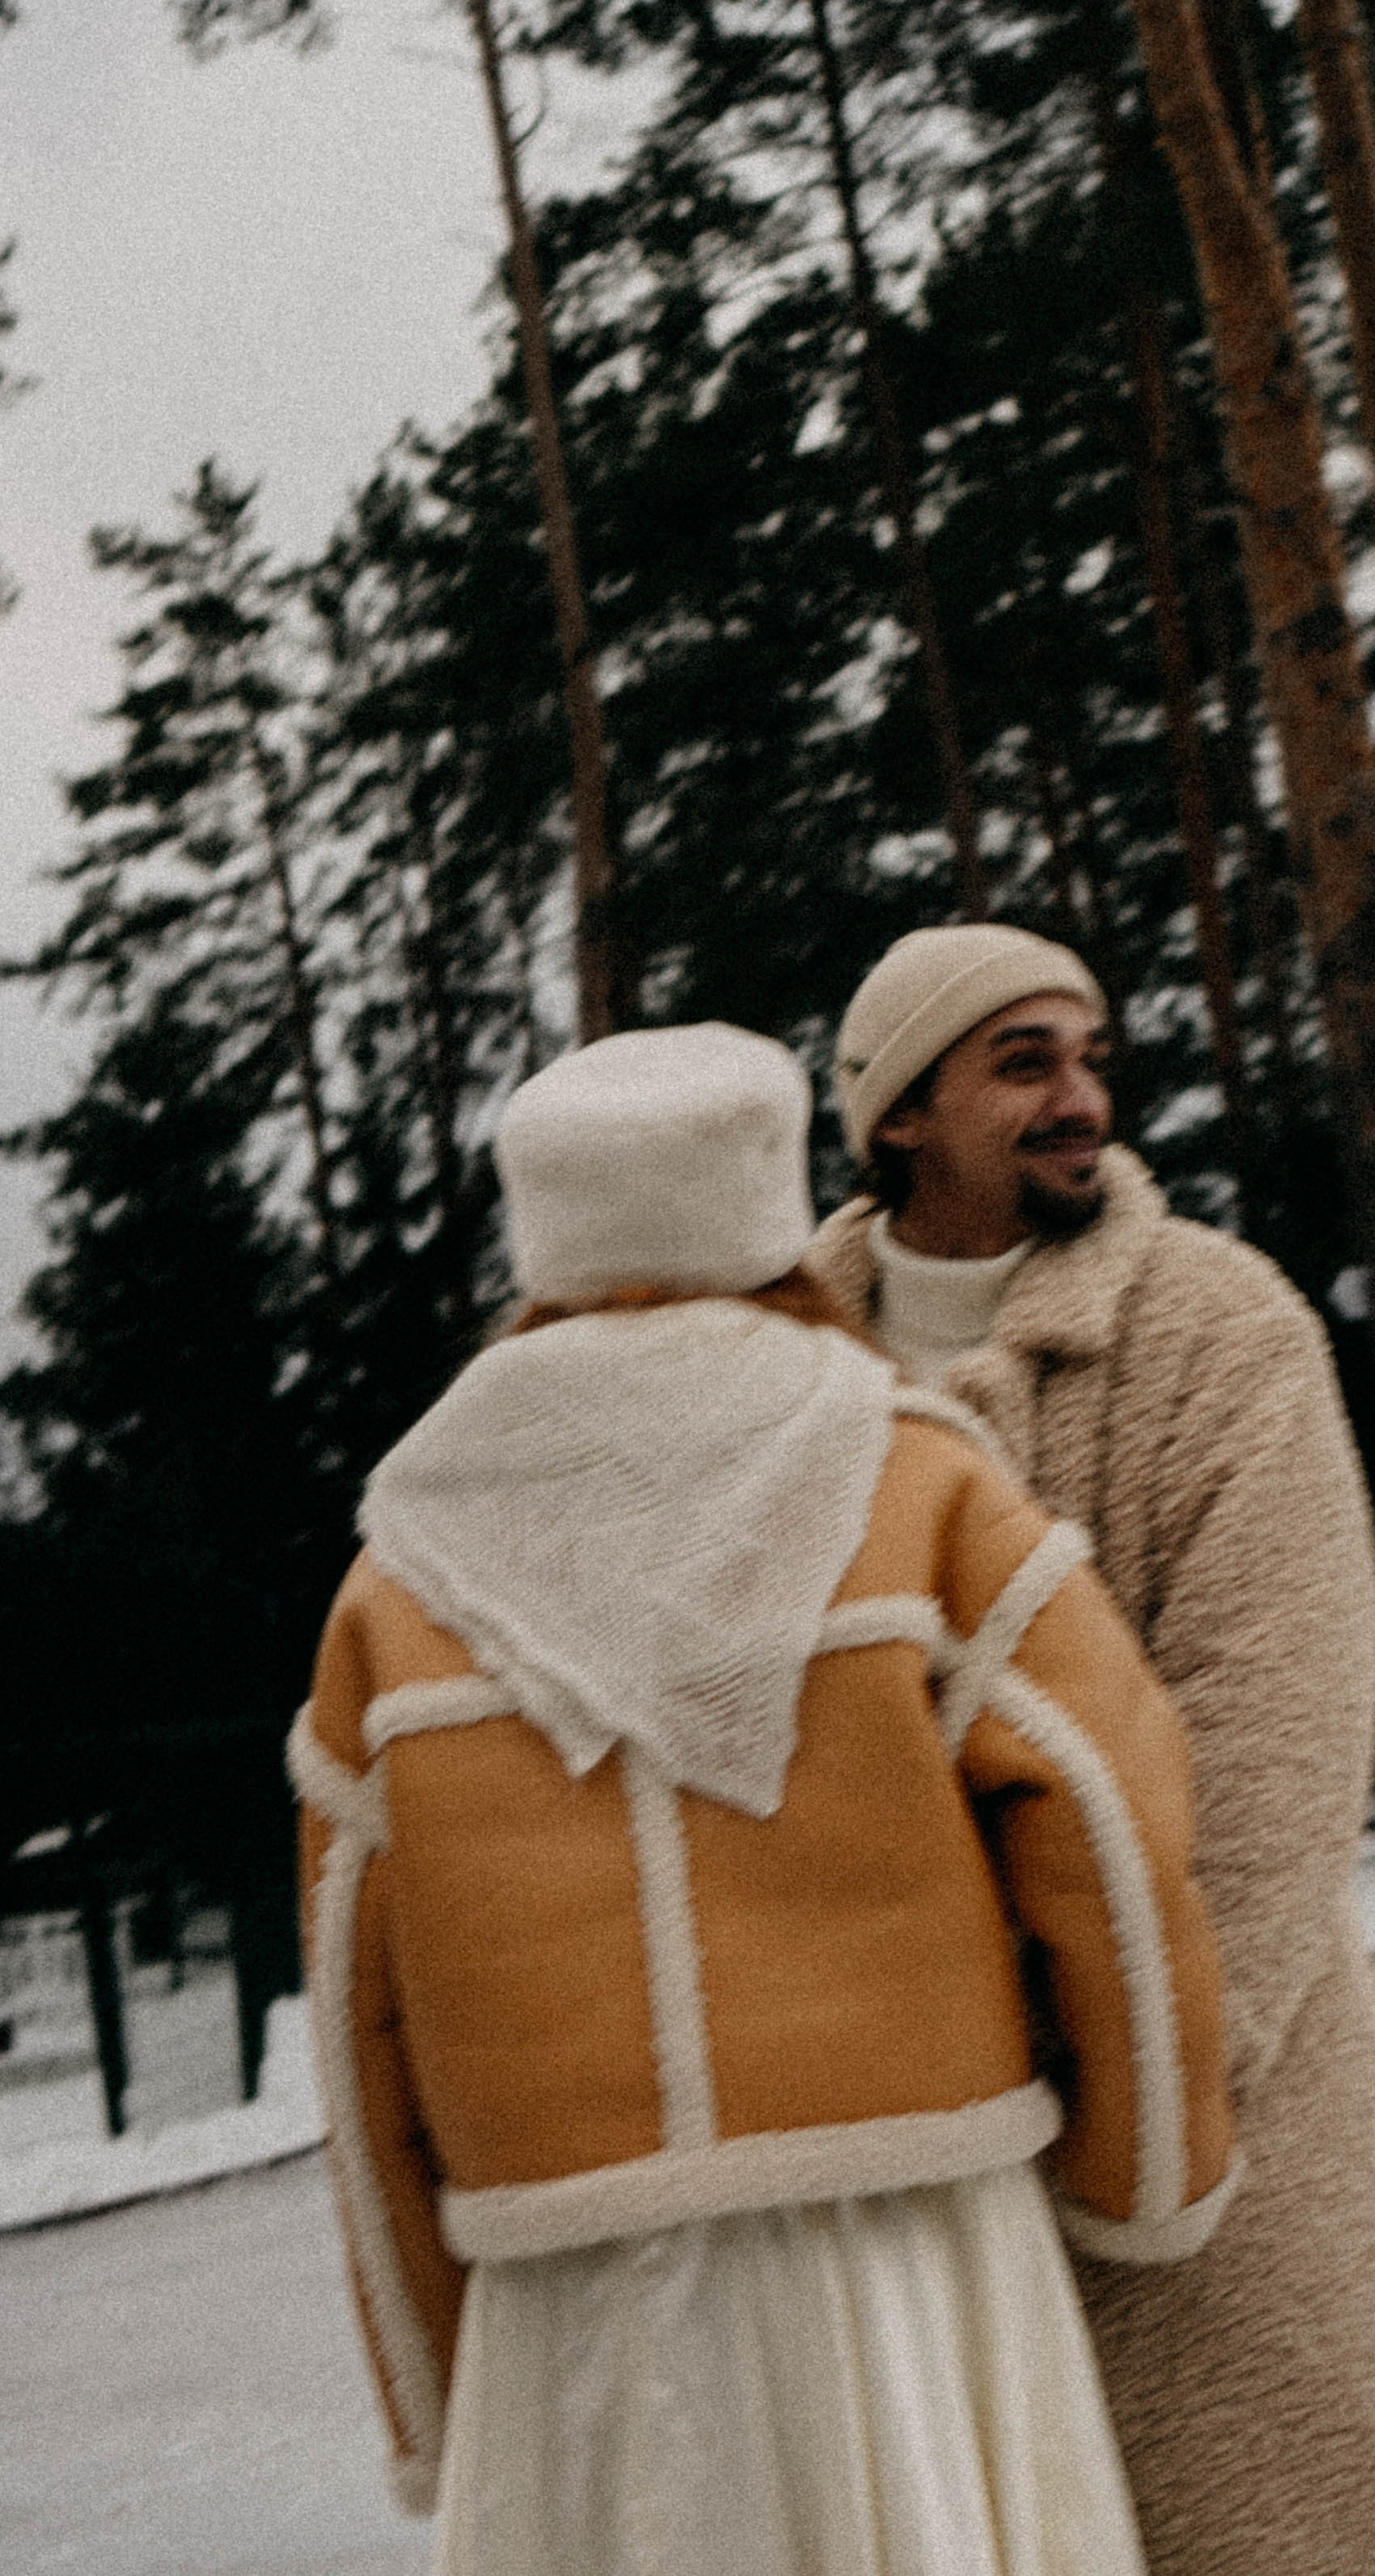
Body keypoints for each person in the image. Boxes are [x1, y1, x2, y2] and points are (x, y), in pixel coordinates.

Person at [289, 1020, 1236, 2576]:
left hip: (572, 2298)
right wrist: (1144, 2175)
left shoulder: (399, 1571)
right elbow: (1108, 1820)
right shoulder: (920, 1475)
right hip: (909, 2254)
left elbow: (351, 2001)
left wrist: (434, 2385)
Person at [812, 926, 1375, 2576]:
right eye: (1023, 1065)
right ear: (897, 1115)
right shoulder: (784, 1373)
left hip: (1216, 2135)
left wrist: (1148, 2096)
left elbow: (1277, 1746)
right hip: (894, 2145)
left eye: (1091, 1059)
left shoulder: (1217, 1325)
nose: (1082, 1099)